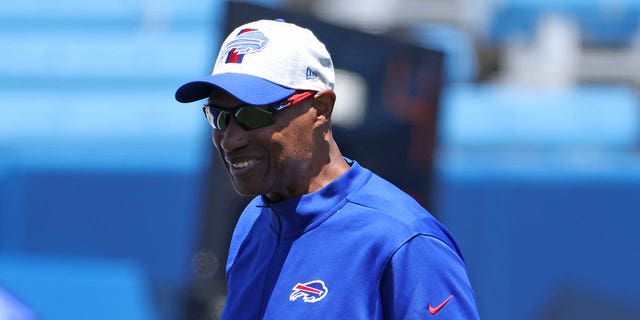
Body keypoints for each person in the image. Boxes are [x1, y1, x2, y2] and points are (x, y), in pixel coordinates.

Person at [175, 19, 480, 319]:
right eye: (219, 116)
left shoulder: (403, 239)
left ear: (320, 109)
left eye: (254, 114)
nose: (230, 139)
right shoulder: (252, 223)